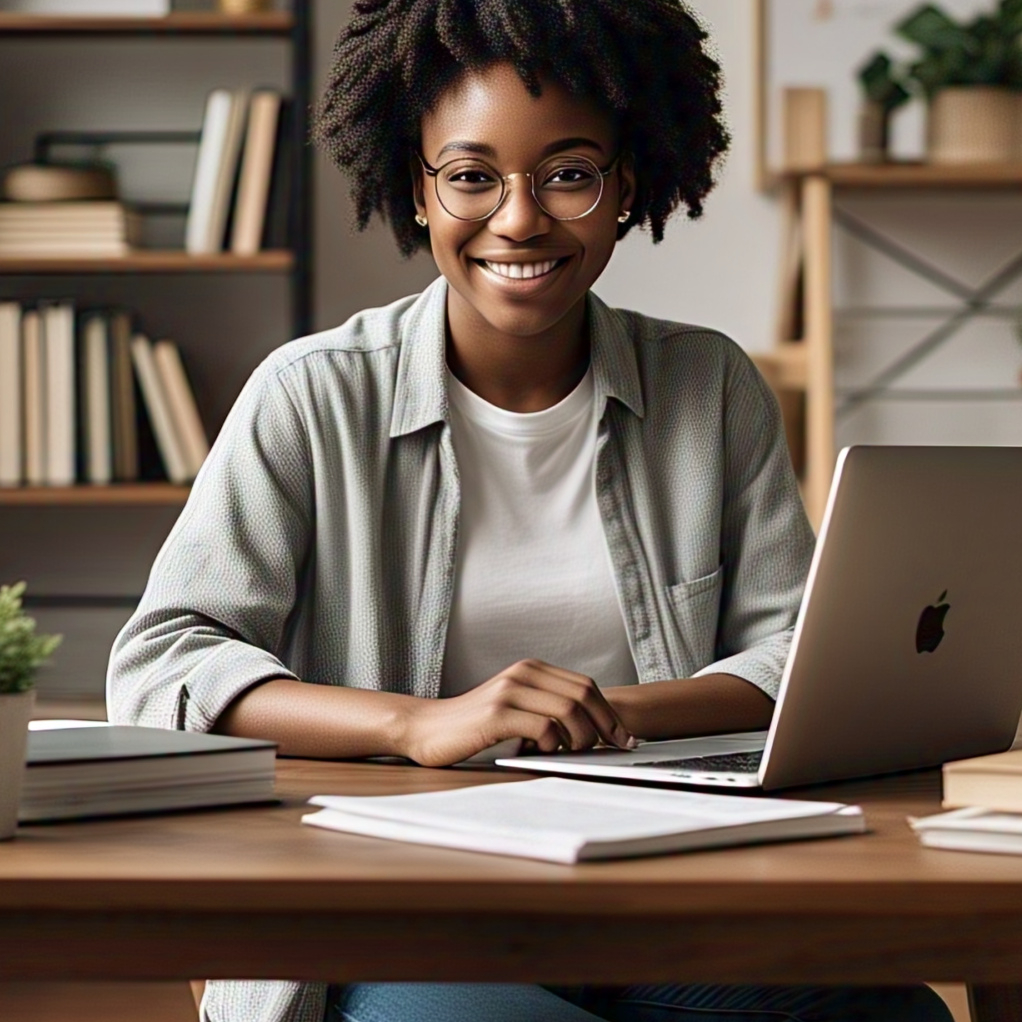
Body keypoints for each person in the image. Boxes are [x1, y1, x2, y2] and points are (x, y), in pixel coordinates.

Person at [107, 1, 953, 1020]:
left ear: (624, 184)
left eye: (566, 173)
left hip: (662, 893)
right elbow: (162, 662)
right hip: (385, 916)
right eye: (471, 176)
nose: (518, 219)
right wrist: (418, 724)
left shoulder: (707, 386)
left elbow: (793, 654)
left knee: (883, 1012)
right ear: (418, 193)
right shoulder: (312, 393)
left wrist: (613, 712)